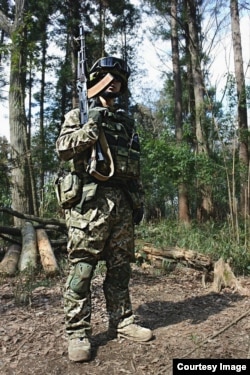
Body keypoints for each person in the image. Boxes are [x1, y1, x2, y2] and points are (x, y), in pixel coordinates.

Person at [56, 56, 153, 363]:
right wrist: (91, 125)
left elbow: (132, 166)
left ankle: (122, 321)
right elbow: (63, 148)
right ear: (96, 81)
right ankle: (77, 332)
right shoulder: (78, 115)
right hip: (89, 206)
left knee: (120, 268)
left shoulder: (125, 123)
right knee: (83, 270)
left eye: (119, 80)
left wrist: (137, 201)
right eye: (108, 78)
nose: (114, 84)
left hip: (121, 205)